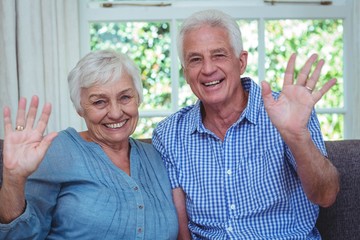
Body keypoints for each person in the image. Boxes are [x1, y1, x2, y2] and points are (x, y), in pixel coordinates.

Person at [152, 9, 340, 239]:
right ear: (185, 72)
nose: (208, 69)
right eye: (195, 59)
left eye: (219, 55)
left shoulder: (288, 112)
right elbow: (182, 232)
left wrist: (297, 136)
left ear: (241, 62)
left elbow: (327, 195)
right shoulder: (169, 134)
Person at [0, 50, 178, 239]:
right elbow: (19, 235)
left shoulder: (157, 156)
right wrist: (14, 179)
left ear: (138, 98)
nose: (116, 113)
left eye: (125, 97)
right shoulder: (56, 151)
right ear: (80, 108)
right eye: (99, 102)